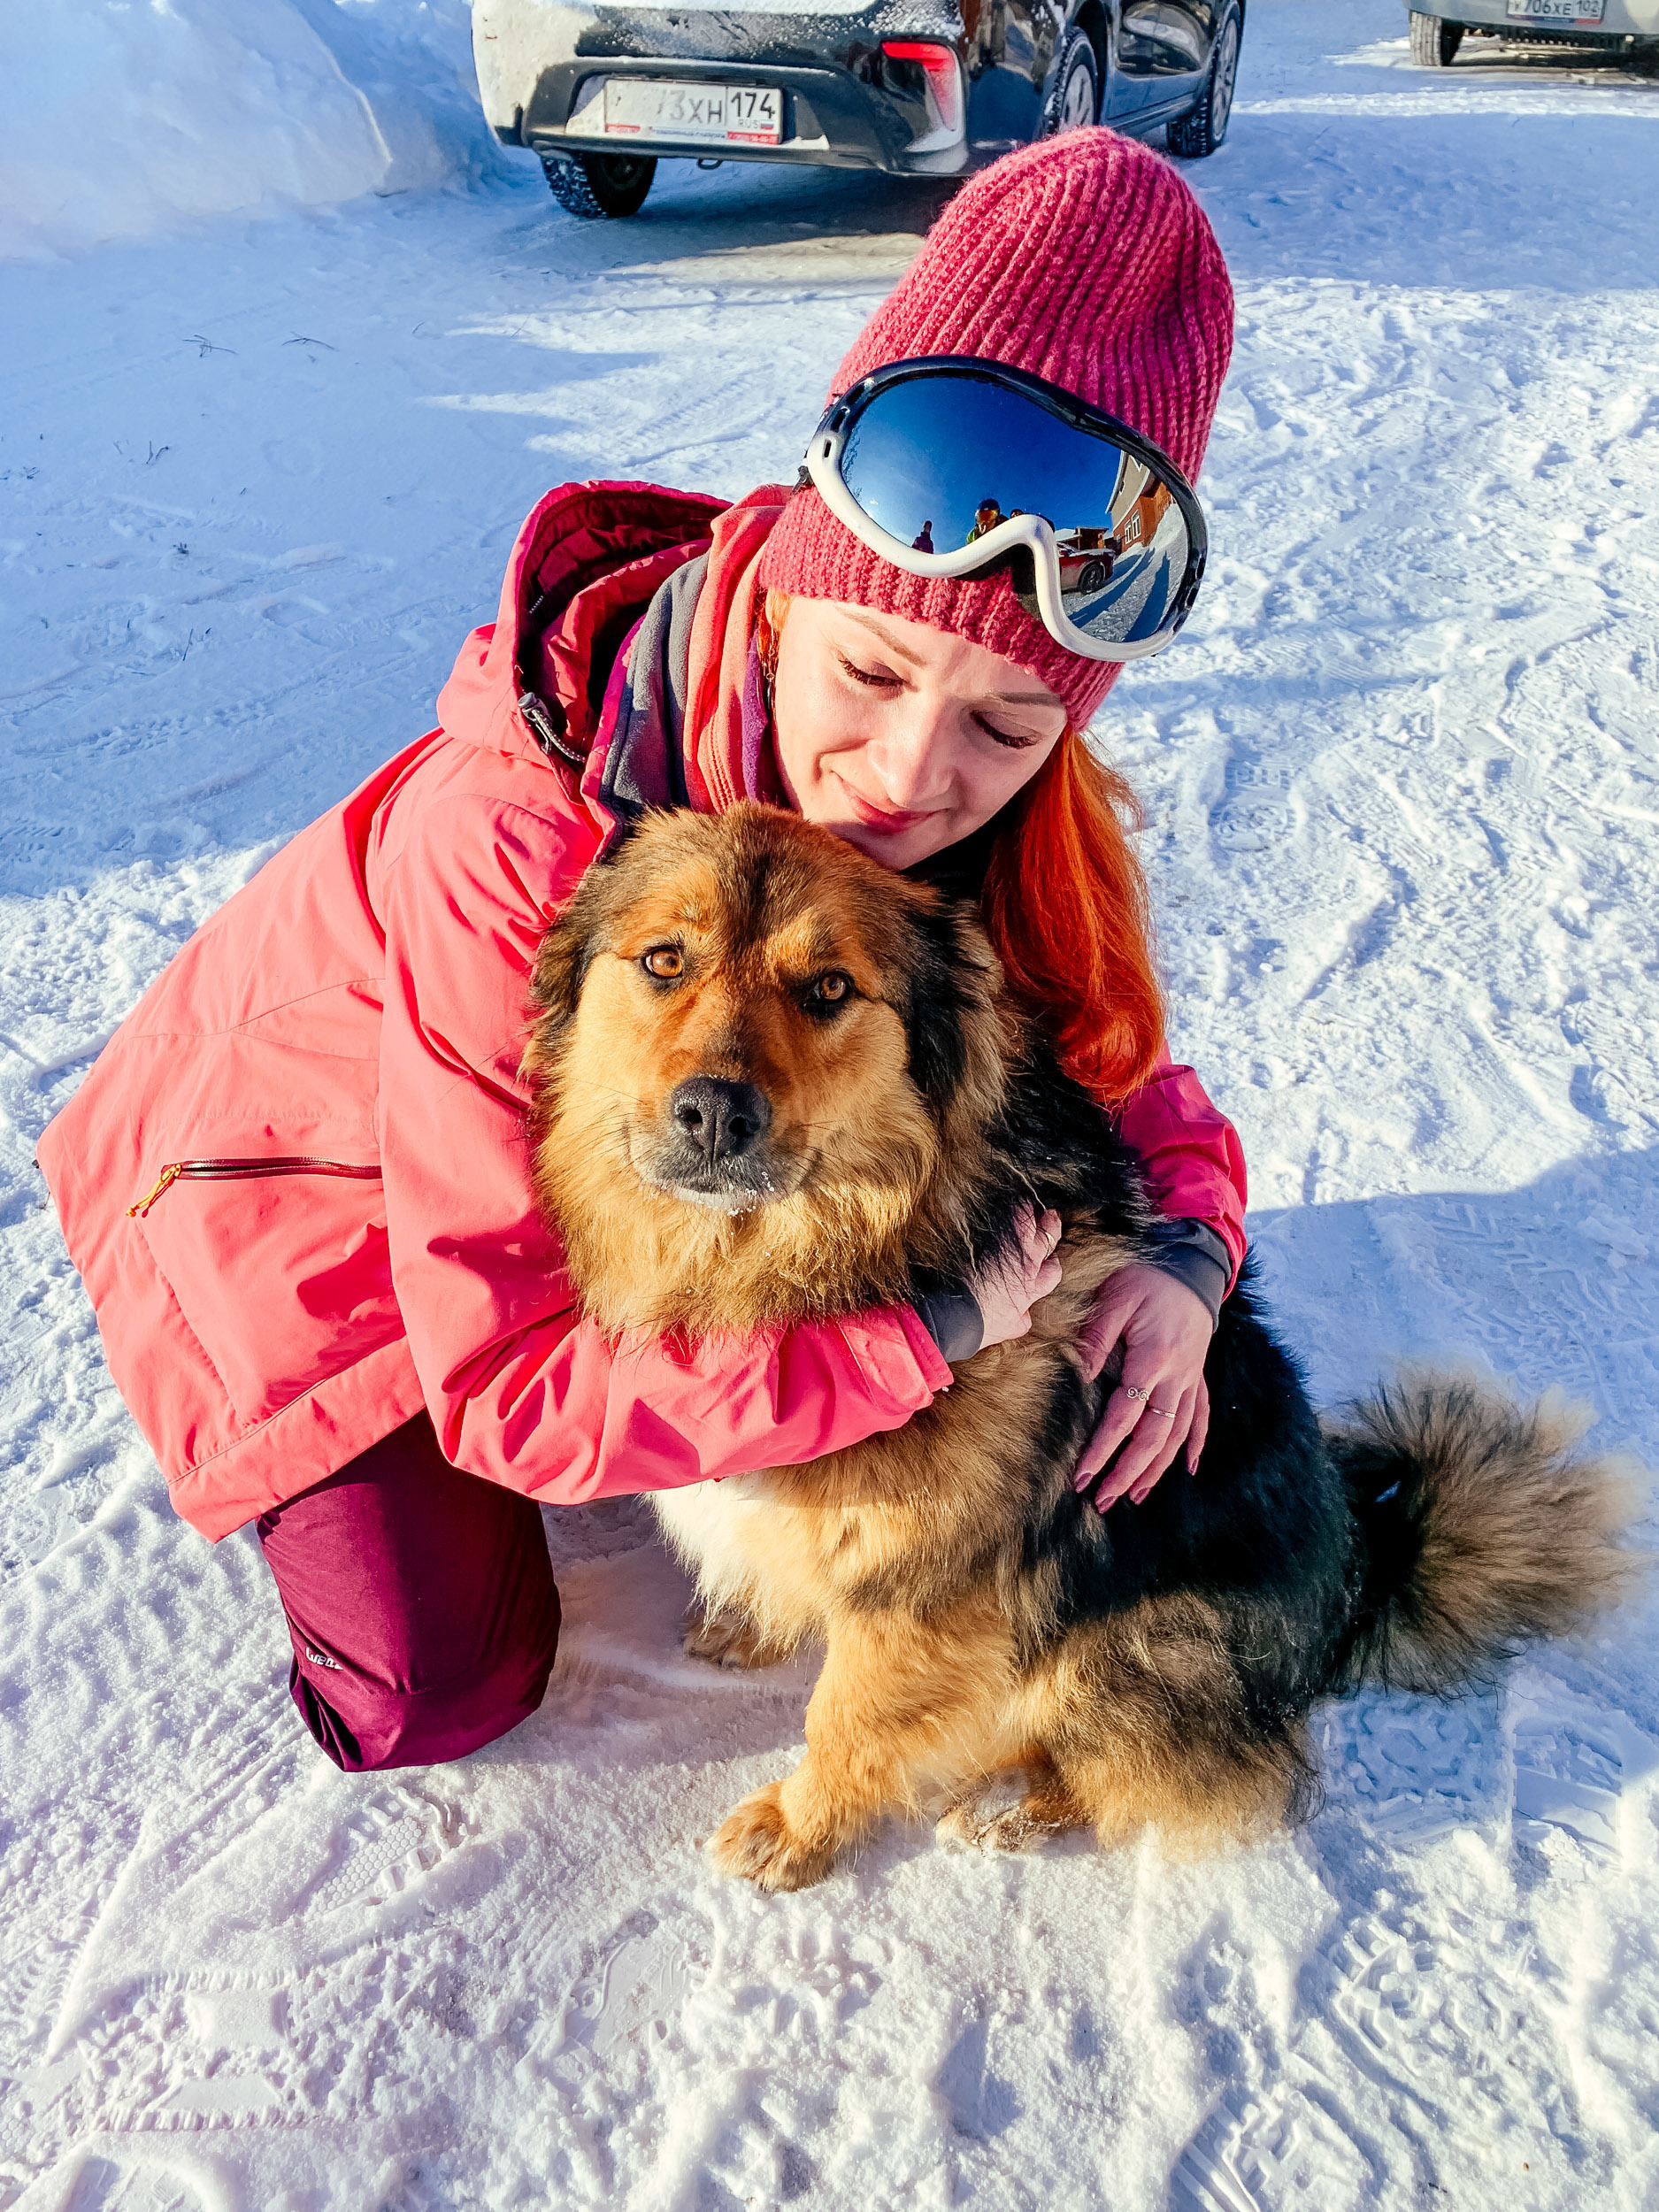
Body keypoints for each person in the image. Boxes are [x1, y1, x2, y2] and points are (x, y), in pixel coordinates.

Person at [38, 128, 1242, 1775]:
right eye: (874, 674)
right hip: (292, 1189)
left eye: (1007, 724)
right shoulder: (514, 836)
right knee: (434, 1690)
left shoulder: (969, 811)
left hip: (585, 1141)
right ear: (788, 599)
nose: (911, 778)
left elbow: (1110, 1069)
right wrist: (915, 1342)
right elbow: (508, 1394)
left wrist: (1188, 1259)